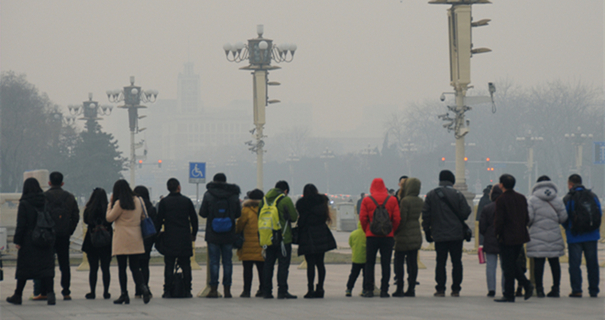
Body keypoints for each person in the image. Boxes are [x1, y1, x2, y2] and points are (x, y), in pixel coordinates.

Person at [6, 178, 57, 306]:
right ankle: (50, 294)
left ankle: (18, 295)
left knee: (24, 269)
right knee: (47, 268)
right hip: (45, 239)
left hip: (29, 240)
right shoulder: (45, 201)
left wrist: (17, 240)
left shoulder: (24, 203)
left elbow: (21, 224)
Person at [422, 170, 471, 297]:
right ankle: (456, 289)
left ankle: (440, 288)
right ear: (452, 180)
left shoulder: (431, 194)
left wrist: (427, 231)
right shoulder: (458, 194)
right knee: (456, 262)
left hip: (439, 234)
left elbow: (426, 214)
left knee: (440, 262)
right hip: (456, 235)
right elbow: (466, 212)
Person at [106, 179, 151, 304]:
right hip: (136, 237)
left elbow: (109, 218)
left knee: (122, 268)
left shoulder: (119, 203)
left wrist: (110, 203)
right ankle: (143, 287)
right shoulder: (139, 200)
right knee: (135, 267)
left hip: (122, 238)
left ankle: (124, 294)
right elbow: (144, 216)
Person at [199, 173, 241, 298]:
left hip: (213, 233)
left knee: (214, 262)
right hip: (229, 233)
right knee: (227, 262)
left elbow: (202, 213)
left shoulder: (208, 194)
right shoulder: (233, 195)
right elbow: (238, 213)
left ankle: (213, 289)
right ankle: (227, 289)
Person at [493, 174, 533, 303]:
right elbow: (527, 217)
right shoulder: (521, 198)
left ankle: (512, 292)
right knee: (513, 263)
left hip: (507, 237)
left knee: (507, 265)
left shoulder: (501, 200)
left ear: (501, 185)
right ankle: (524, 285)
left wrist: (497, 234)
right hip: (520, 235)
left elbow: (499, 220)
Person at [526, 175, 567, 298]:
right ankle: (556, 288)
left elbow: (529, 218)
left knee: (539, 262)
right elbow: (563, 217)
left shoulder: (532, 200)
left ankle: (539, 289)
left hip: (537, 236)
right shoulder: (558, 200)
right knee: (555, 263)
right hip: (554, 234)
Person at [156, 179, 198, 298]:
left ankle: (167, 290)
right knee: (186, 264)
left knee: (169, 264)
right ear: (179, 187)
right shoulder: (187, 201)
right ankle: (187, 289)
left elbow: (159, 220)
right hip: (184, 237)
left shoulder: (164, 202)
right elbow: (194, 219)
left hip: (170, 237)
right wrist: (193, 234)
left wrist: (156, 234)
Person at [359, 178, 401, 298]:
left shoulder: (367, 200)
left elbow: (362, 218)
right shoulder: (392, 200)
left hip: (371, 236)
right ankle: (384, 290)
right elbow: (397, 218)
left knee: (370, 263)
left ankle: (369, 289)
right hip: (387, 236)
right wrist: (392, 230)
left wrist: (367, 230)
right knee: (386, 263)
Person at [563, 174, 601, 298]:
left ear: (570, 184)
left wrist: (568, 228)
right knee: (592, 263)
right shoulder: (592, 196)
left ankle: (577, 290)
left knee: (575, 264)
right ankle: (594, 290)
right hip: (591, 235)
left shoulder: (569, 197)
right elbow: (599, 213)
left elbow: (564, 216)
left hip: (575, 236)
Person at [296, 184, 337, 299]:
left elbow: (301, 220)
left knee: (310, 264)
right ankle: (320, 288)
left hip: (307, 234)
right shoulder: (322, 202)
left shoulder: (302, 204)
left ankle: (310, 289)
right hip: (321, 233)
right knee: (320, 263)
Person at [259, 180, 299, 299]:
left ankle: (266, 291)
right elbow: (293, 217)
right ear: (285, 191)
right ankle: (282, 291)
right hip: (283, 238)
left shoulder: (264, 200)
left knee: (268, 265)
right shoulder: (285, 200)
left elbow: (259, 217)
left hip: (267, 237)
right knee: (283, 265)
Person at [44, 171, 79, 300]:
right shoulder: (69, 197)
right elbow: (76, 216)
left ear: (49, 183)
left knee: (48, 263)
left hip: (48, 235)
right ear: (62, 183)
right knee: (65, 264)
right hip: (64, 235)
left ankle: (49, 290)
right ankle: (66, 291)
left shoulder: (44, 197)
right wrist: (69, 230)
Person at [393, 177, 423, 297]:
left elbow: (402, 219)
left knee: (399, 262)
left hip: (404, 235)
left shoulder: (405, 201)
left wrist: (395, 231)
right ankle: (411, 288)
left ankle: (399, 287)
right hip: (415, 232)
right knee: (412, 263)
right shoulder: (420, 201)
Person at [81, 188, 113, 300]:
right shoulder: (108, 208)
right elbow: (111, 220)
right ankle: (106, 292)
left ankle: (93, 292)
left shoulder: (89, 209)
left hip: (92, 240)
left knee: (93, 269)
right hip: (106, 240)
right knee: (106, 268)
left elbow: (85, 220)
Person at [235, 189, 265, 298]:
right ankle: (262, 289)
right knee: (262, 269)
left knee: (247, 270)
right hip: (262, 244)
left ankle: (246, 291)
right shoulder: (265, 209)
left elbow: (239, 226)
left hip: (247, 244)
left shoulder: (245, 210)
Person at [479, 184, 505, 297]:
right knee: (505, 266)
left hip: (490, 239)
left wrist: (486, 235)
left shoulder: (487, 208)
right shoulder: (506, 207)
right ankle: (505, 288)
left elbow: (482, 227)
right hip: (505, 239)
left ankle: (491, 289)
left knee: (490, 265)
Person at [133, 185, 159, 299]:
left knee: (135, 265)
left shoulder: (134, 206)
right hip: (148, 238)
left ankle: (138, 290)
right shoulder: (151, 208)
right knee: (145, 265)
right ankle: (146, 287)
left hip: (135, 238)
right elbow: (156, 225)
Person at [346, 221, 366, 297]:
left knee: (353, 274)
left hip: (356, 258)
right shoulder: (367, 233)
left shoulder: (353, 234)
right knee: (366, 275)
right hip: (365, 258)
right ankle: (364, 290)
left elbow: (350, 243)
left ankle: (349, 289)